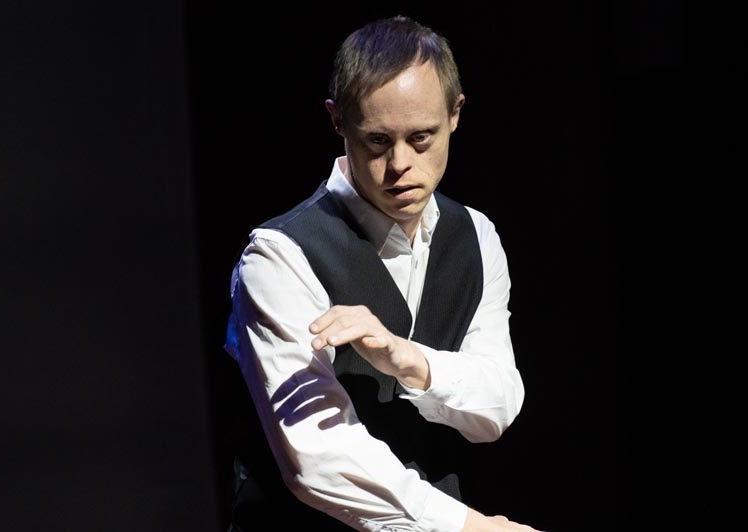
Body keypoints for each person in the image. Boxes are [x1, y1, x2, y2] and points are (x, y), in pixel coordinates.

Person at [224, 15, 540, 532]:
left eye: (421, 139)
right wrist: (467, 527)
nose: (399, 165)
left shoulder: (476, 236)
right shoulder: (279, 256)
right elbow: (319, 457)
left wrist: (411, 361)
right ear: (337, 121)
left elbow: (495, 406)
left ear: (455, 114)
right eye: (376, 141)